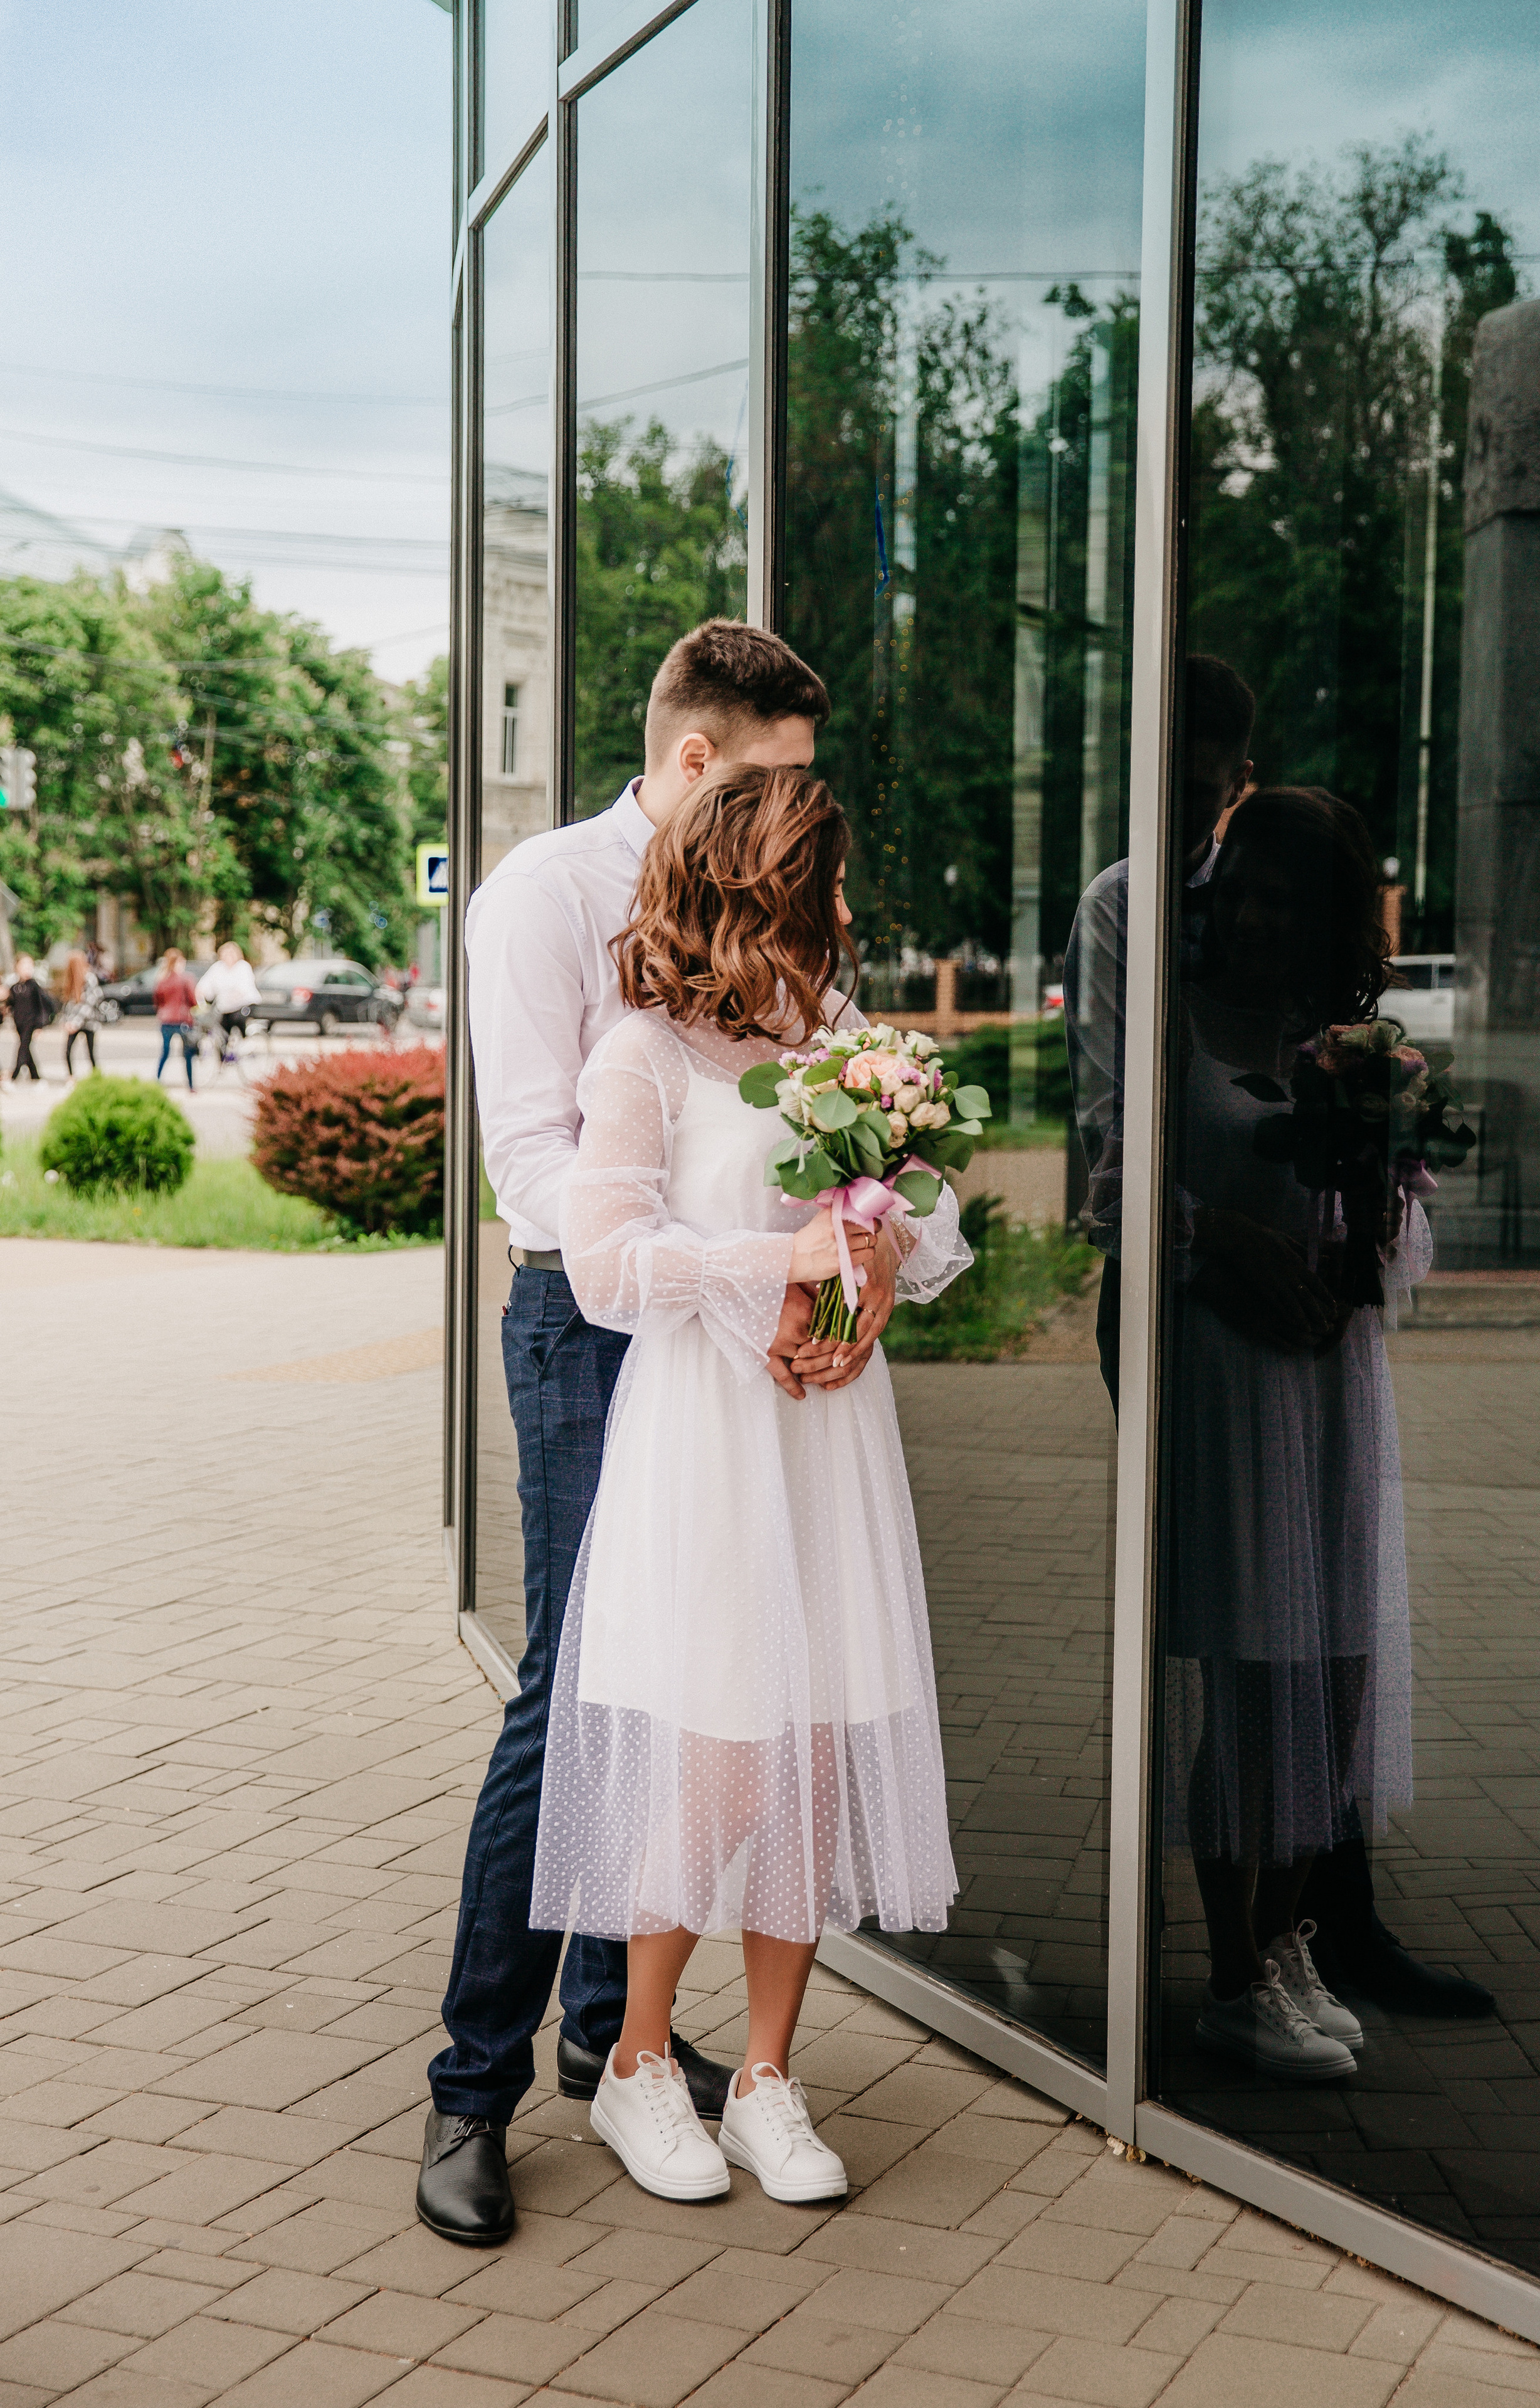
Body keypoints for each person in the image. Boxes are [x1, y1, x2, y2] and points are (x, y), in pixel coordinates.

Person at [419, 620, 904, 2246]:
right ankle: (474, 2088)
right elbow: (544, 1180)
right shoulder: (540, 896)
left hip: (755, 1344)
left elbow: (856, 1155)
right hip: (591, 1322)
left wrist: (845, 1261)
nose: (801, 824)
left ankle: (612, 2034)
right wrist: (747, 1254)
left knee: (744, 1686)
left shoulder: (791, 940)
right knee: (582, 1683)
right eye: (778, 785)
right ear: (702, 762)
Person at [530, 761, 965, 2203]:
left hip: (823, 1431)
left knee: (815, 1752)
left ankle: (769, 2076)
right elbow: (602, 1265)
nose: (841, 906)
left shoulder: (842, 1038)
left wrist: (873, 1277)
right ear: (748, 888)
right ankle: (639, 2062)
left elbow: (920, 1201)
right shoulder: (641, 1054)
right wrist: (771, 1265)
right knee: (718, 1759)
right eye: (820, 880)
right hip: (708, 1436)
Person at [1063, 661, 1492, 2025]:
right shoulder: (1130, 914)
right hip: (1200, 1331)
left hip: (1318, 1347)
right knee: (1246, 1636)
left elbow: (1370, 1184)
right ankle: (1247, 1955)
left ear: (1235, 776)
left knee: (1331, 1638)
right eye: (1178, 786)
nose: (1200, 817)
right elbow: (1105, 1156)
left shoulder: (1286, 920)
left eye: (1211, 786)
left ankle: (1315, 1928)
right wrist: (1225, 1251)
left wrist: (1356, 1228)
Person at [1169, 789, 1421, 2077]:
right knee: (1255, 1670)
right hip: (1232, 1380)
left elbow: (1405, 1234)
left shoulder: (1347, 1039)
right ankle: (1228, 1975)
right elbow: (1137, 1200)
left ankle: (1285, 1946)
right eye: (1248, 889)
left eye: (1289, 896)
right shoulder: (1180, 1027)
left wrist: (1379, 1211)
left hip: (1331, 1374)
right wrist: (1229, 1247)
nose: (1262, 913)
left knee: (1330, 1671)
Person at [196, 941, 260, 1056]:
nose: (228, 957)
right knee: (220, 1028)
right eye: (225, 954)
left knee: (239, 1019)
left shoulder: (243, 967)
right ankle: (224, 1057)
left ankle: (247, 1042)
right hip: (225, 1007)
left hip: (243, 1004)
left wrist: (235, 995)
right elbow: (206, 984)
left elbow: (245, 987)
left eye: (231, 954)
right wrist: (201, 993)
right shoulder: (218, 968)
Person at [152, 949, 199, 1089]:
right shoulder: (186, 979)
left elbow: (158, 1001)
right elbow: (193, 1001)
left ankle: (158, 1080)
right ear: (180, 962)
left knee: (165, 1052)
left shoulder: (162, 979)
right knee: (188, 1054)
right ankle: (191, 1085)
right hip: (183, 1020)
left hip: (166, 1020)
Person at [4, 956, 51, 1081]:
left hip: (30, 1023)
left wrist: (40, 1025)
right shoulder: (15, 987)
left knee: (23, 1048)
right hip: (19, 1023)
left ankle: (13, 1075)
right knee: (26, 1048)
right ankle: (35, 1075)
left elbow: (42, 1005)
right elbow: (11, 1004)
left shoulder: (34, 986)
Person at [60, 949, 103, 1075]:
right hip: (74, 1022)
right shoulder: (72, 980)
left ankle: (96, 1076)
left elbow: (89, 1004)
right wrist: (66, 1021)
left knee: (90, 1052)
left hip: (88, 1022)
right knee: (67, 1051)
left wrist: (75, 1023)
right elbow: (68, 1004)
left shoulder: (89, 978)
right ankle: (71, 1077)